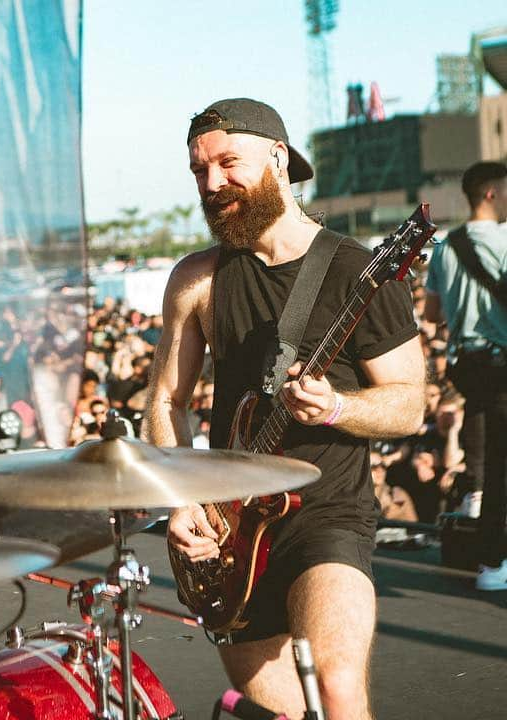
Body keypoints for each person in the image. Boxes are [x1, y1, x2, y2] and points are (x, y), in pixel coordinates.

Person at [144, 98, 425, 720]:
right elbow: (166, 399)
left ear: (278, 157)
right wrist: (181, 498)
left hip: (326, 516)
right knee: (275, 712)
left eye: (226, 163)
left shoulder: (360, 271)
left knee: (336, 686)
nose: (211, 183)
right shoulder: (197, 279)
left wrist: (335, 408)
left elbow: (410, 406)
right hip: (228, 534)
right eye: (198, 171)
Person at [424, 160, 507, 591]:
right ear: (491, 193)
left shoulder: (445, 246)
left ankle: (478, 529)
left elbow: (433, 314)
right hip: (500, 361)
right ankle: (493, 562)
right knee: (499, 462)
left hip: (463, 363)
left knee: (482, 447)